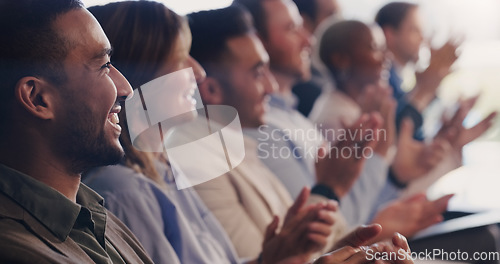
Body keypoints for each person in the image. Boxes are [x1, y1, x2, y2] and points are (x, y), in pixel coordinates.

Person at [85, 2, 339, 264]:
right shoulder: (124, 190)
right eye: (181, 57)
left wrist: (274, 257)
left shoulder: (163, 170)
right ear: (138, 76)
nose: (198, 72)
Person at [0, 0, 153, 263]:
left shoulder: (94, 215)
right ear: (38, 99)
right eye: (103, 66)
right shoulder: (18, 251)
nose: (126, 88)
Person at [291, 0, 343, 117]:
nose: (341, 22)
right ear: (305, 23)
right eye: (332, 16)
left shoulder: (325, 73)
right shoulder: (312, 89)